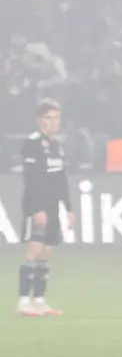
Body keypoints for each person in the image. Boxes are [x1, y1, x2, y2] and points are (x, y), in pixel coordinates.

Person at [16, 98, 73, 317]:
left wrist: (68, 208)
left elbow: (61, 179)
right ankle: (23, 301)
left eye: (56, 118)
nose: (53, 122)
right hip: (36, 206)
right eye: (48, 118)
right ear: (39, 120)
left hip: (52, 207)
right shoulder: (32, 145)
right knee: (34, 250)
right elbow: (31, 180)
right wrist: (36, 209)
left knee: (46, 252)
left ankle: (39, 300)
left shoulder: (57, 146)